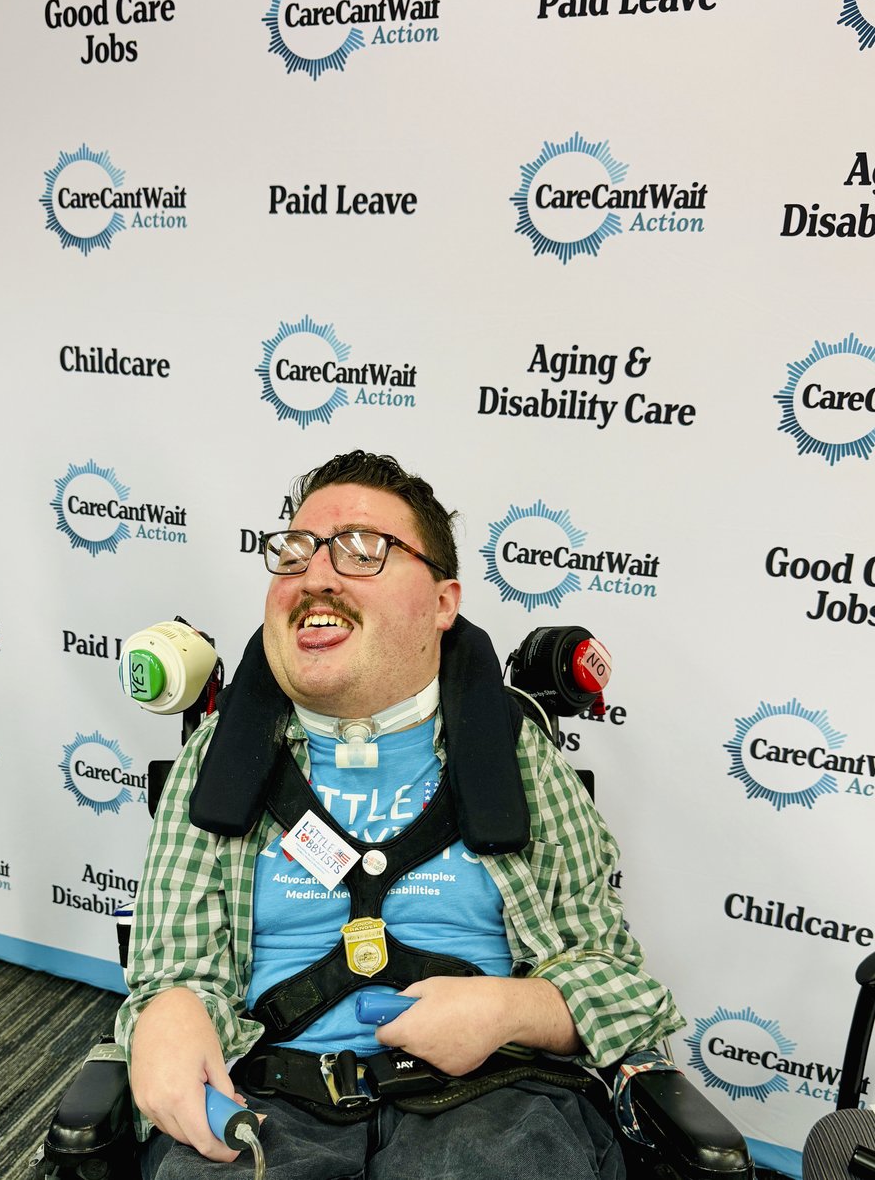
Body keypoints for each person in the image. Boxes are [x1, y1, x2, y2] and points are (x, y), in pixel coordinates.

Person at [115, 450, 682, 1179]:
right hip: (264, 1092)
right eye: (295, 554)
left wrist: (510, 1010)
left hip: (496, 1096)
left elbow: (617, 979)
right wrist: (166, 1014)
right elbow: (171, 971)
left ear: (444, 603)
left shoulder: (512, 752)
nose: (315, 575)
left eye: (362, 551)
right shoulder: (218, 762)